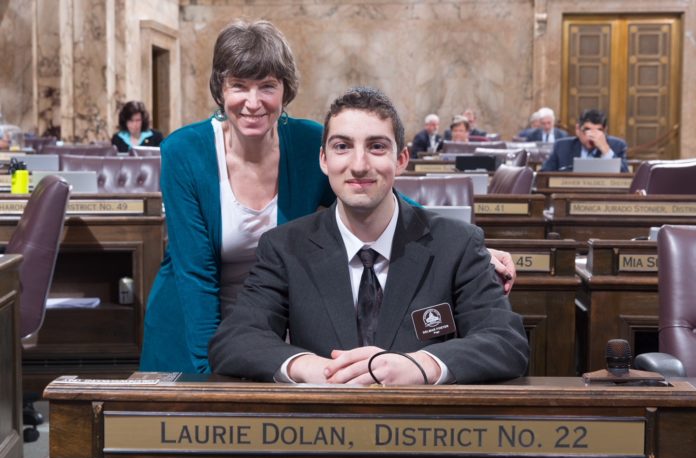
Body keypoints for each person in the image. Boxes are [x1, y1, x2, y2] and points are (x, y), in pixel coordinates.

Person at [141, 20, 516, 375]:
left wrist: (462, 245)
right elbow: (196, 274)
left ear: (285, 90)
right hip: (194, 319)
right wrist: (212, 373)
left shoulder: (308, 143)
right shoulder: (184, 151)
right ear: (220, 89)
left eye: (267, 86)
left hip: (276, 316)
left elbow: (377, 192)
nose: (253, 102)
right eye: (239, 85)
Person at [209, 87, 529, 385]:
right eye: (342, 146)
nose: (359, 165)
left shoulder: (457, 244)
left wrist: (422, 365)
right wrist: (310, 367)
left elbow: (505, 342)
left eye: (376, 146)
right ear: (324, 159)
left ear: (400, 159)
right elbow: (236, 340)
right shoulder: (284, 247)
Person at [541, 109, 628, 172]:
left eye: (598, 131)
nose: (592, 136)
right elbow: (544, 175)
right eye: (587, 130)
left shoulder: (617, 146)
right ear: (578, 129)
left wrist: (606, 150)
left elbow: (625, 179)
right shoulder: (561, 146)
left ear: (605, 131)